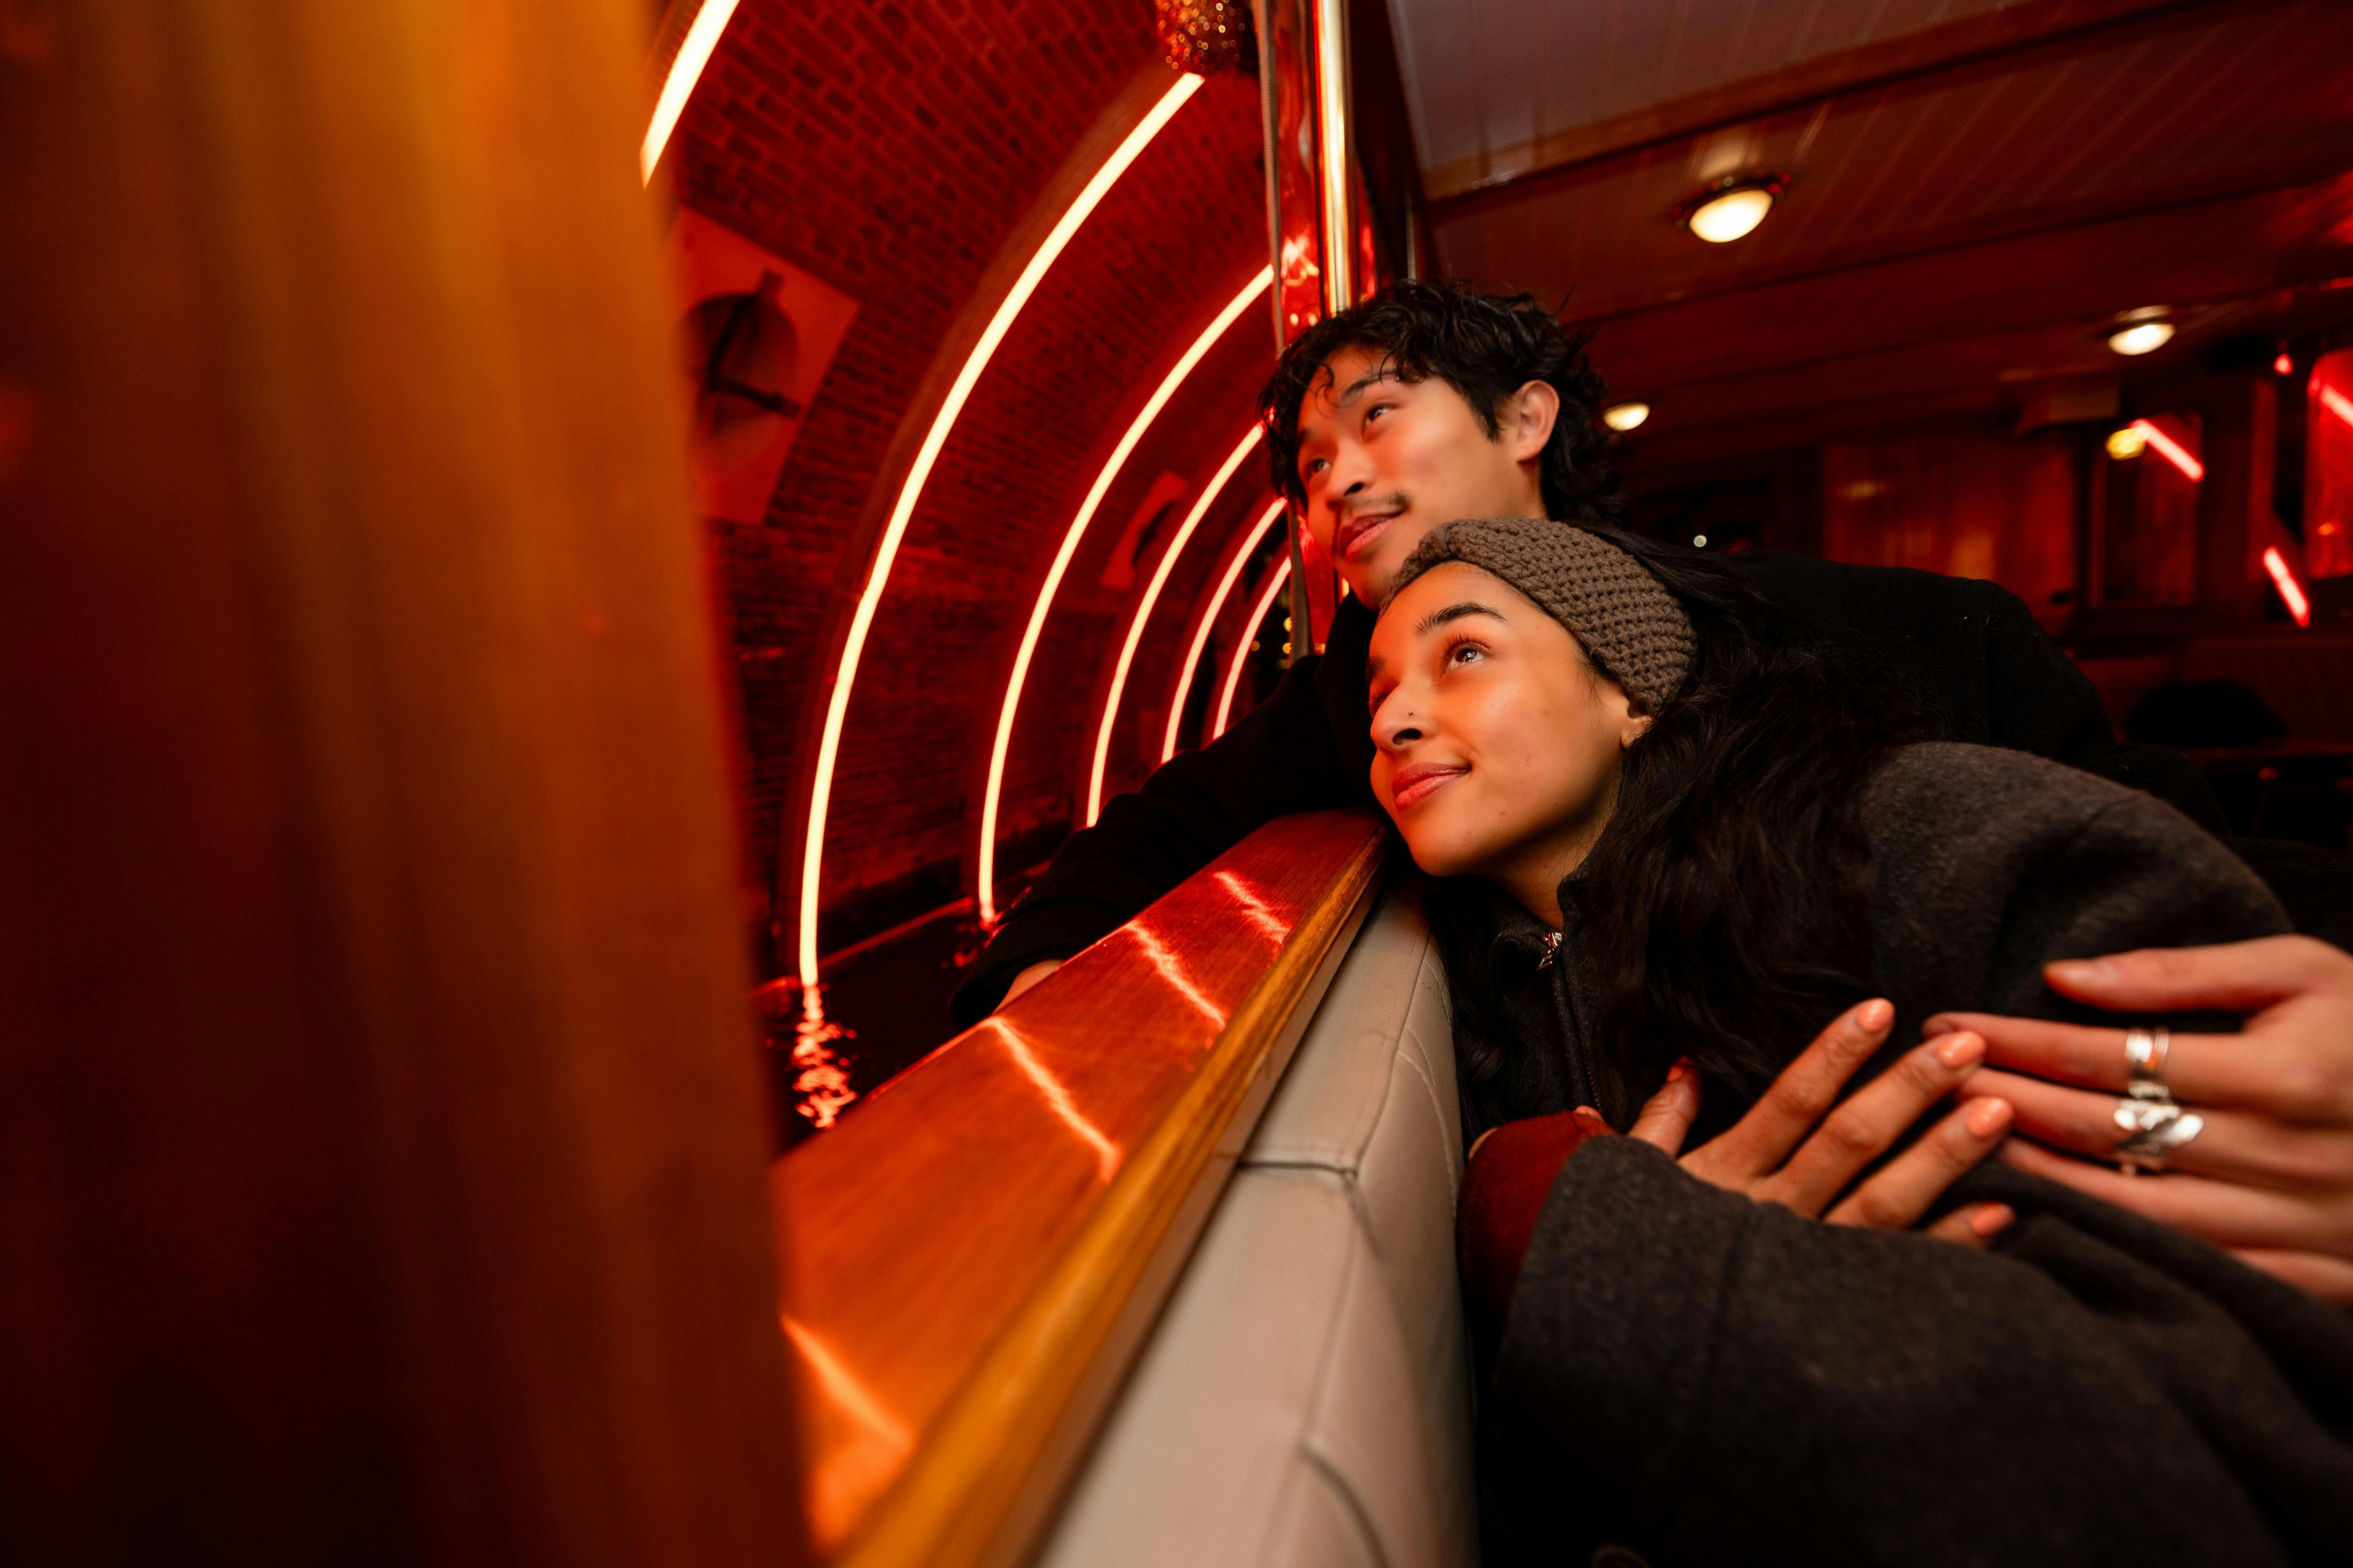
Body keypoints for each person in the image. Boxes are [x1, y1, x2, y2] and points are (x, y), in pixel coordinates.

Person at [955, 278, 2353, 1300]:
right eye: (1308, 471)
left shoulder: (1890, 667)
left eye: (1375, 420)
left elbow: (2143, 893)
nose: (1334, 485)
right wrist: (1027, 997)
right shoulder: (1353, 727)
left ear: (1526, 418)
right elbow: (1158, 829)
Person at [1369, 515, 2353, 1566]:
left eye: (1463, 653)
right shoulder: (1475, 1015)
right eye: (1379, 693)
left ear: (1632, 693)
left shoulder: (1938, 846)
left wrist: (1568, 1231)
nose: (1400, 720)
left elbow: (2203, 1477)